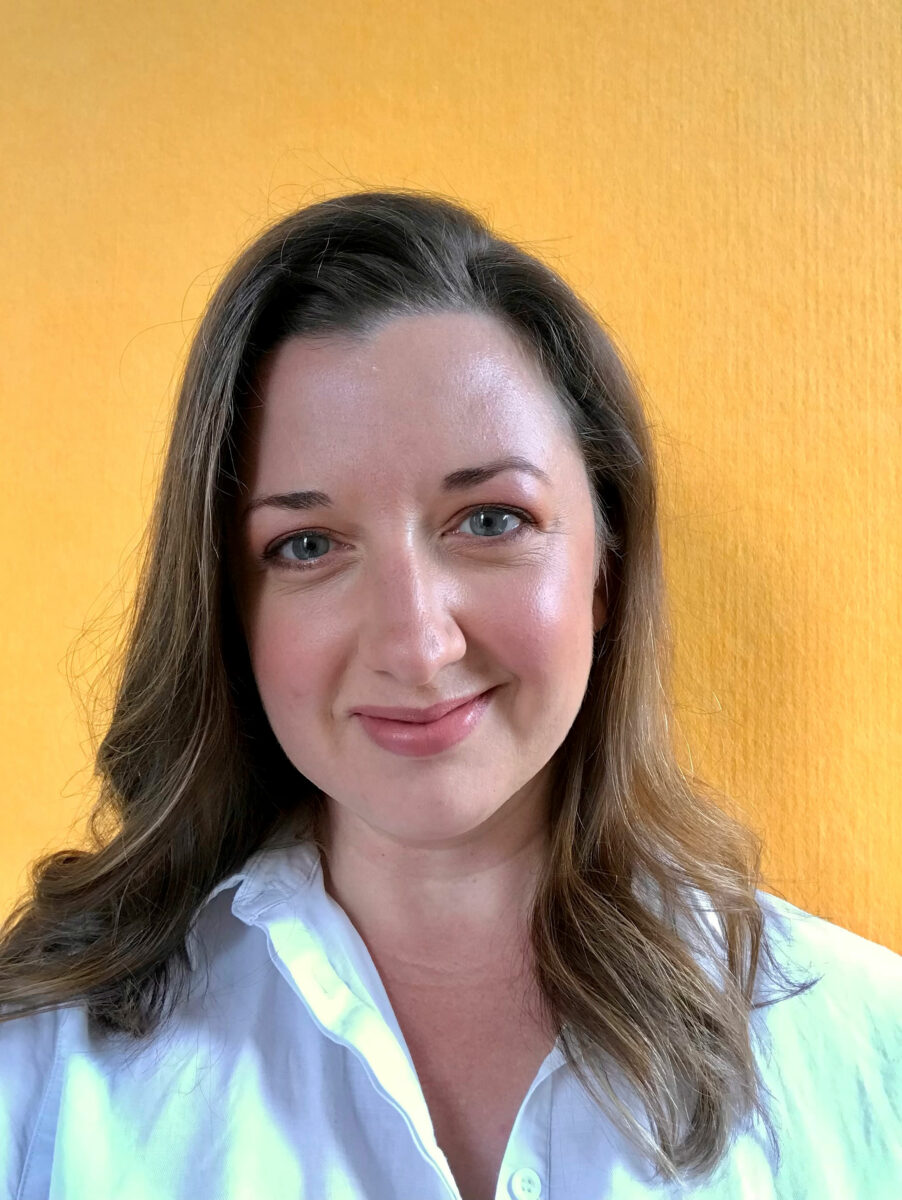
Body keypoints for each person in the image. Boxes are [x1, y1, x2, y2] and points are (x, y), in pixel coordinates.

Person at [0, 189, 899, 1200]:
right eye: (306, 545)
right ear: (229, 607)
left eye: (489, 520)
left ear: (604, 564)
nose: (417, 644)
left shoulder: (868, 1055)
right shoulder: (39, 1070)